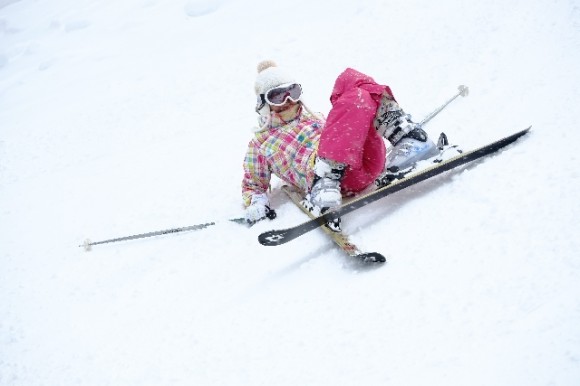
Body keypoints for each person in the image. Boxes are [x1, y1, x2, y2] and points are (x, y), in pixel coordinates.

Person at [242, 60, 439, 227]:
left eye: (292, 91)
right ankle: (325, 178)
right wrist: (256, 204)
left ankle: (409, 137)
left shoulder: (315, 117)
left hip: (367, 159)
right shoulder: (260, 143)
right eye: (277, 95)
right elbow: (253, 185)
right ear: (263, 103)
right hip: (338, 182)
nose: (288, 100)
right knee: (353, 99)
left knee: (352, 82)